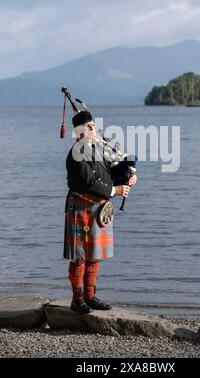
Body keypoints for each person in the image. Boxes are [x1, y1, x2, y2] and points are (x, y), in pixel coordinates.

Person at [63, 110, 137, 313]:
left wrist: (127, 177)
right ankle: (77, 300)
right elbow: (90, 183)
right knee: (79, 256)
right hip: (81, 206)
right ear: (79, 131)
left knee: (93, 255)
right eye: (89, 127)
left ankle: (90, 295)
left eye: (94, 126)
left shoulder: (96, 148)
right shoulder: (76, 153)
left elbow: (109, 171)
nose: (93, 129)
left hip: (97, 208)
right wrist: (116, 190)